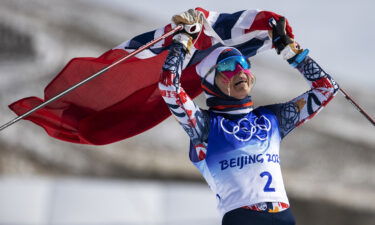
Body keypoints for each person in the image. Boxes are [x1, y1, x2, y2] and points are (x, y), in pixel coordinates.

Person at [158, 9, 338, 225]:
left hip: (283, 217)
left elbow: (326, 89)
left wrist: (290, 52)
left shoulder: (271, 118)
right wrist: (182, 40)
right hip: (242, 218)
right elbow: (169, 86)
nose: (240, 71)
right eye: (227, 66)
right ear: (209, 82)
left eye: (244, 64)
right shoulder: (205, 126)